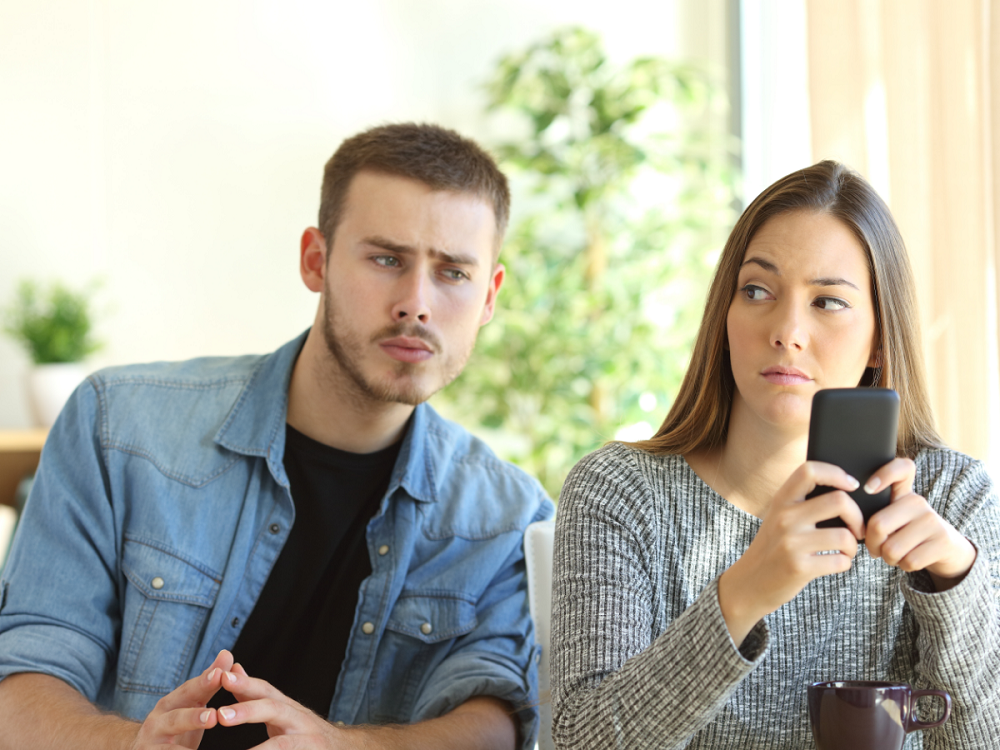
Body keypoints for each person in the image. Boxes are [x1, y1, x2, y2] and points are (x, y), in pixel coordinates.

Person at [0, 122, 553, 750]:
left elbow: (498, 721)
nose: (416, 304)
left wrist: (344, 747)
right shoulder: (116, 428)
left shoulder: (510, 519)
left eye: (453, 273)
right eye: (386, 259)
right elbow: (19, 685)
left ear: (489, 297)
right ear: (315, 260)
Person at [550, 161, 1000, 748]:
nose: (787, 330)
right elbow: (580, 741)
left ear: (880, 341)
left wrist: (955, 591)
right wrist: (743, 593)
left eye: (828, 302)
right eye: (757, 290)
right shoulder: (619, 492)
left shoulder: (949, 496)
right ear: (724, 316)